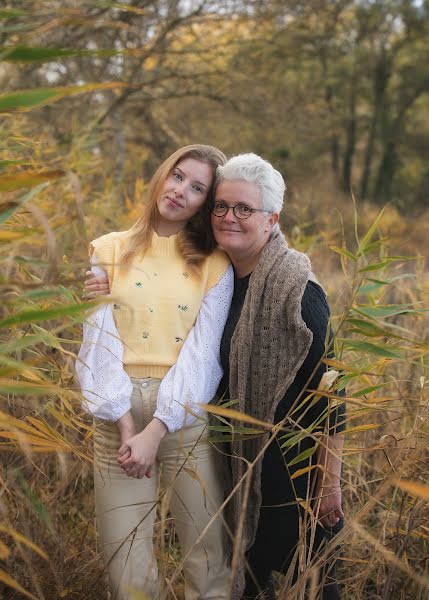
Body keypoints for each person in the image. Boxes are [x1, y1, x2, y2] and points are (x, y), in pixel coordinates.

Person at [76, 144, 233, 600]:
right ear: (163, 175)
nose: (182, 191)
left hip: (185, 416)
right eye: (179, 176)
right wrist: (126, 424)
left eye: (198, 187)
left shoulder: (213, 264)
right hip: (116, 418)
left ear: (207, 202)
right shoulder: (108, 250)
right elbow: (98, 341)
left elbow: (204, 356)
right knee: (127, 565)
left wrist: (157, 428)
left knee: (207, 558)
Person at [211, 153, 346, 600]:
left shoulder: (297, 292)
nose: (230, 217)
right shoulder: (217, 283)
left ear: (272, 219)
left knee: (311, 587)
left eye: (244, 209)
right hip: (236, 468)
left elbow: (334, 393)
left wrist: (329, 485)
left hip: (293, 473)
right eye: (222, 206)